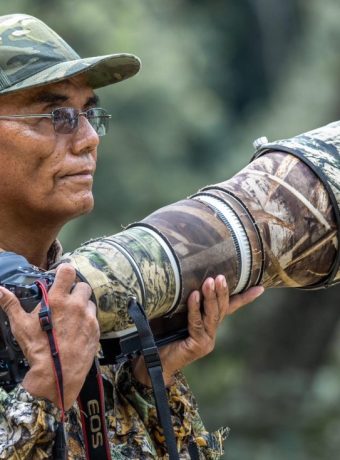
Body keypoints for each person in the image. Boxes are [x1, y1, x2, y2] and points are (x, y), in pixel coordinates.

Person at [0, 14, 264, 460]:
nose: (88, 139)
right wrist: (45, 393)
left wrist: (145, 379)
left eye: (89, 114)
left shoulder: (85, 301)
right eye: (58, 115)